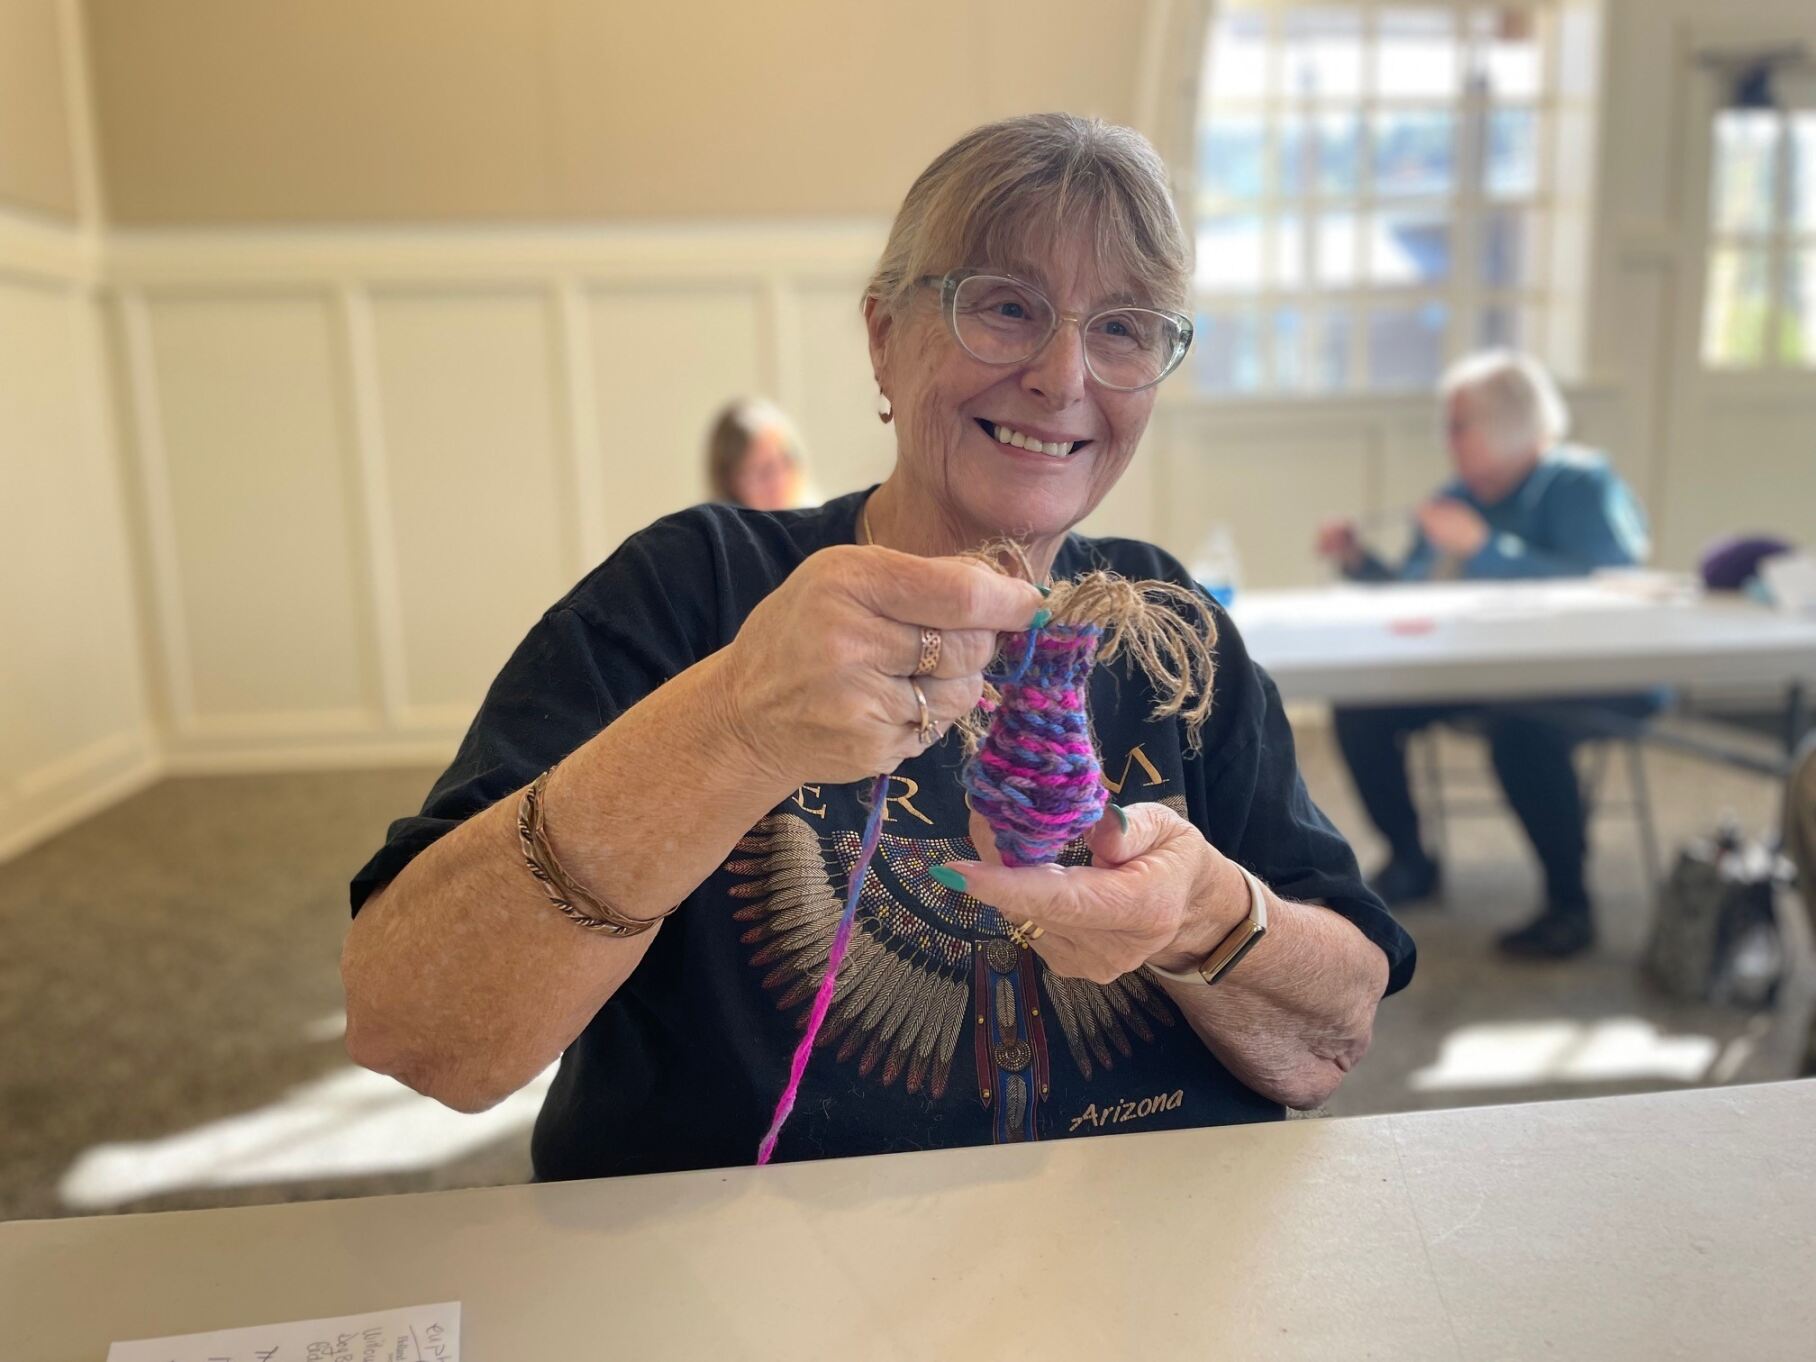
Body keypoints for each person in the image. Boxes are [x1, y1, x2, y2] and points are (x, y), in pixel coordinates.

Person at [343, 114, 1413, 1178]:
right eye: (1005, 307)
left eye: (1125, 329)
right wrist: (727, 730)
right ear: (883, 338)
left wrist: (1206, 917)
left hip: (1144, 1275)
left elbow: (1330, 1036)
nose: (1061, 375)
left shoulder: (1166, 631)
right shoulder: (692, 591)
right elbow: (419, 1029)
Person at [1315, 350, 1653, 960]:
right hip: (1476, 674)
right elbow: (1415, 602)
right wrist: (1361, 563)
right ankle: (1413, 860)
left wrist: (1487, 548)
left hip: (1587, 680)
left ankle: (1569, 904)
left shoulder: (1580, 483)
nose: (1446, 441)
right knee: (1361, 705)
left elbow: (1613, 588)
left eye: (1457, 426)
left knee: (1524, 730)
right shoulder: (1454, 497)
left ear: (1508, 425)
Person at [705, 397, 810, 511]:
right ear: (729, 480)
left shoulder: (819, 521)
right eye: (763, 472)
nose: (779, 481)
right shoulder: (706, 526)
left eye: (786, 461)